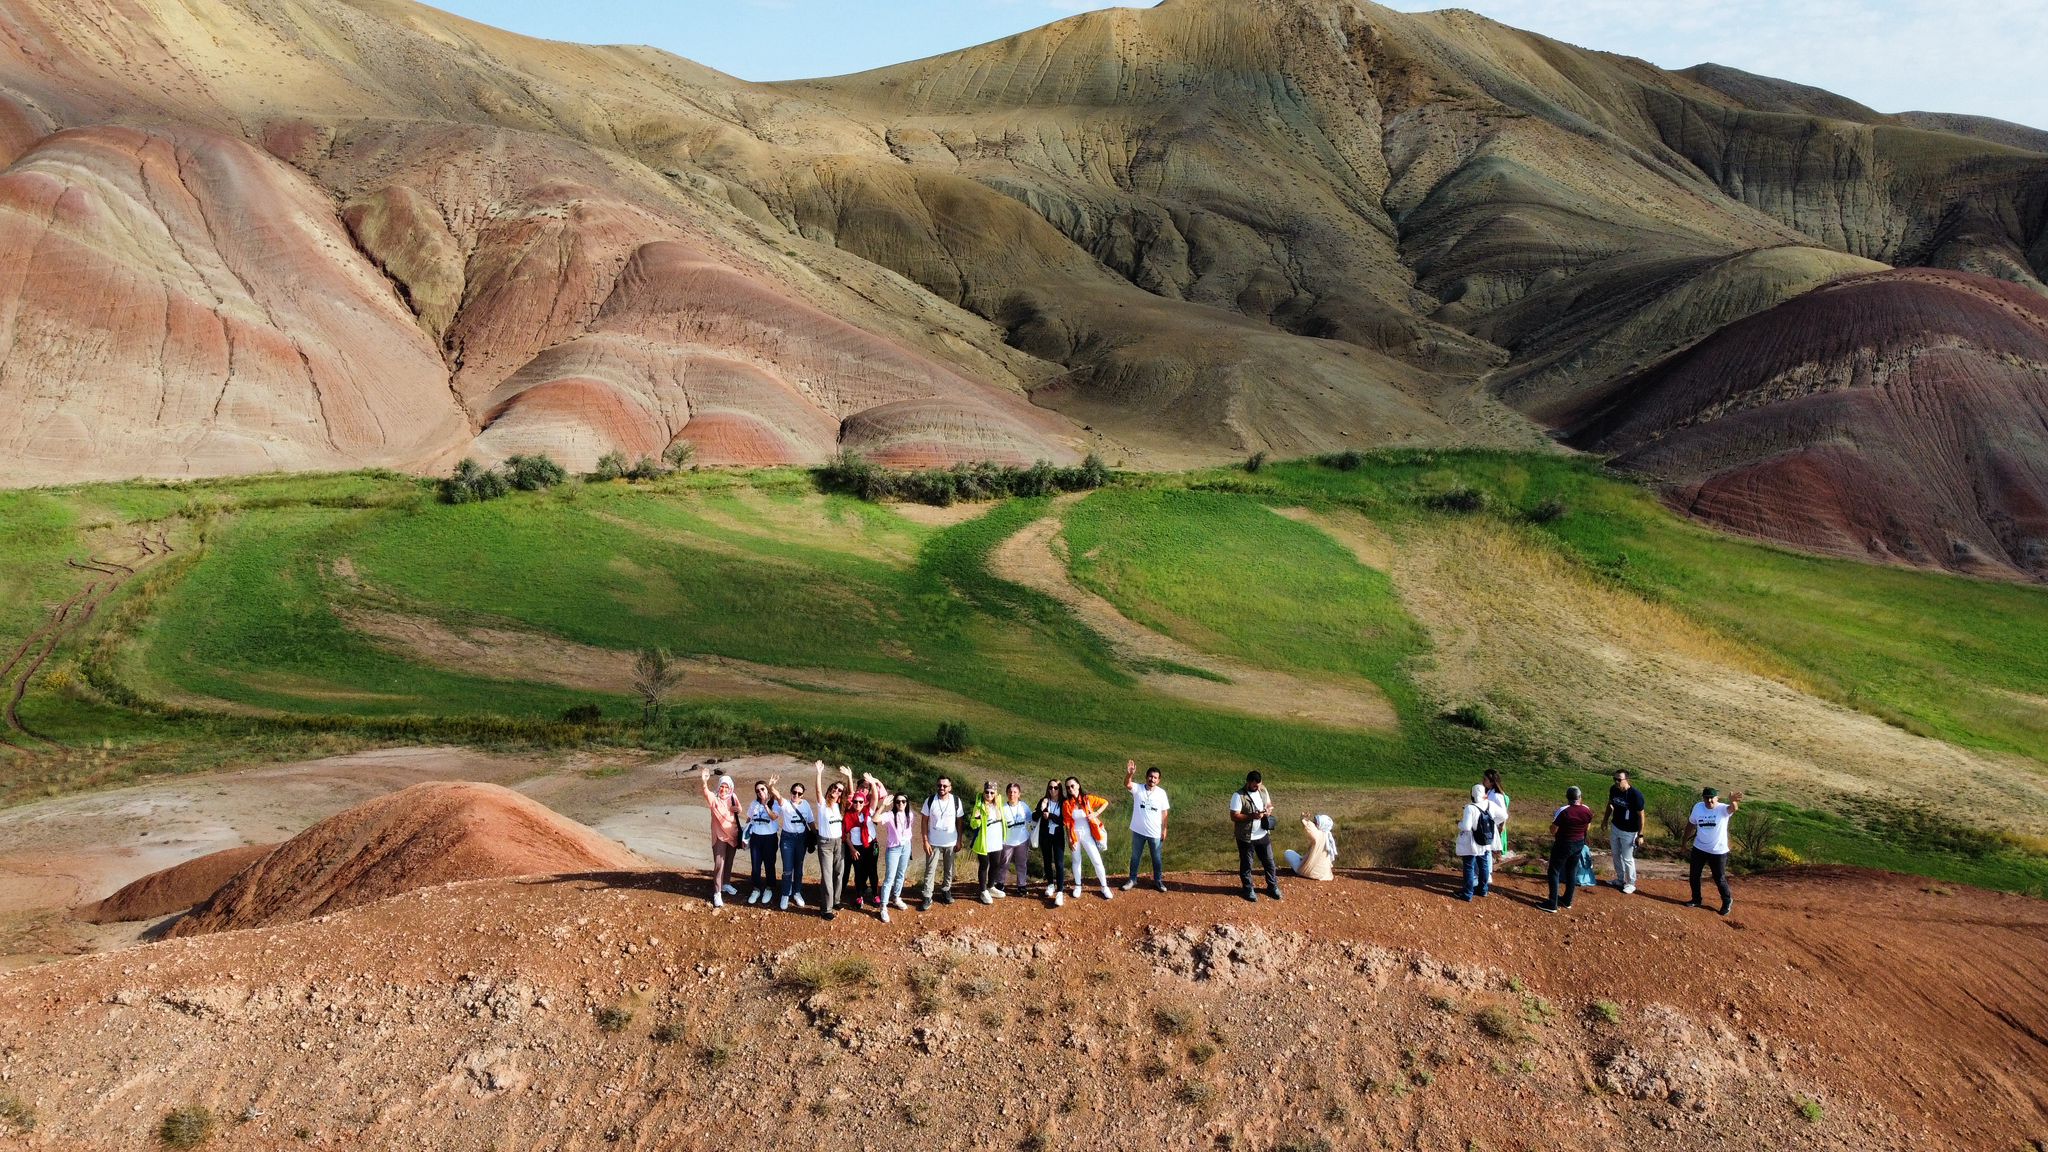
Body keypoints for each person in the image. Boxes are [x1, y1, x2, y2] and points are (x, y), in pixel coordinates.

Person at [1684, 787, 1744, 915]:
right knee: (1694, 875)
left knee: (1719, 878)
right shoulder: (1698, 807)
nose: (1709, 800)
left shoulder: (1722, 809)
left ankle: (1727, 901)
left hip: (1718, 851)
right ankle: (1696, 899)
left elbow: (1733, 809)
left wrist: (1733, 801)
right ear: (1703, 798)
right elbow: (1691, 824)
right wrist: (1684, 842)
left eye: (1712, 798)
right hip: (1699, 847)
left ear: (1717, 798)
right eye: (1706, 798)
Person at [1540, 786, 1595, 913]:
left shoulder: (1564, 811)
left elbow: (1553, 829)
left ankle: (1552, 903)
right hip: (1579, 842)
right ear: (1580, 797)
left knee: (1554, 871)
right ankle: (1567, 900)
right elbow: (1588, 827)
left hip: (1564, 843)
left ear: (1567, 798)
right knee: (1572, 870)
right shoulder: (1586, 810)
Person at [1230, 771, 1281, 902]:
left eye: (1259, 784)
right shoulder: (1238, 796)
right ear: (1248, 782)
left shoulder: (1263, 790)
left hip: (1263, 834)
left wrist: (1268, 810)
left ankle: (1272, 886)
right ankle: (1248, 889)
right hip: (1246, 837)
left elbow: (1269, 804)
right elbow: (1234, 816)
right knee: (1247, 864)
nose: (1257, 787)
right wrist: (1252, 816)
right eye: (1254, 785)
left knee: (1269, 862)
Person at [1062, 776, 1114, 901]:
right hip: (1075, 835)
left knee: (1096, 860)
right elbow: (1067, 823)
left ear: (1078, 785)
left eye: (1072, 786)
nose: (1070, 789)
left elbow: (1105, 802)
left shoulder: (1087, 799)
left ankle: (1104, 886)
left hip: (1087, 834)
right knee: (1076, 860)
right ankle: (1078, 885)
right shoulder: (1066, 804)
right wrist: (1069, 839)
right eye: (1068, 787)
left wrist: (1096, 813)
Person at [1122, 760, 1170, 892]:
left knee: (1156, 858)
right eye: (1150, 776)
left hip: (1154, 832)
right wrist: (1129, 774)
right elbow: (1127, 784)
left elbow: (1164, 812)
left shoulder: (1161, 793)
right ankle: (1132, 879)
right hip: (1138, 831)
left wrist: (1164, 829)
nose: (1152, 779)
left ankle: (1158, 881)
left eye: (1155, 778)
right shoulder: (1138, 788)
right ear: (1146, 777)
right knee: (1135, 857)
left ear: (1158, 780)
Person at [698, 765, 743, 908]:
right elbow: (706, 792)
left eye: (726, 787)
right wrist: (704, 782)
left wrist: (738, 809)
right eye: (721, 786)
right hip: (719, 836)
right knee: (719, 864)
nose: (723, 789)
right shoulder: (714, 798)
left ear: (730, 788)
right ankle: (717, 892)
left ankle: (726, 884)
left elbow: (739, 809)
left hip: (733, 834)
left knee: (729, 861)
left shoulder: (733, 797)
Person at [918, 777, 965, 911]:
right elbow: (924, 821)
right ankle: (927, 896)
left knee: (949, 868)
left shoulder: (956, 801)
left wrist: (959, 840)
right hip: (933, 842)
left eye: (945, 786)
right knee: (930, 869)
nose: (942, 788)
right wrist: (925, 841)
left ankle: (946, 890)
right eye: (939, 785)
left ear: (950, 787)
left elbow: (960, 821)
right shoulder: (930, 800)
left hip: (950, 841)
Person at [769, 775, 814, 912]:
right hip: (787, 838)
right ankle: (785, 894)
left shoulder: (806, 805)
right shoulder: (785, 804)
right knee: (787, 869)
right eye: (794, 792)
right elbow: (777, 795)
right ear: (791, 792)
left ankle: (797, 892)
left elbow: (810, 821)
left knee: (799, 868)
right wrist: (771, 786)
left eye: (799, 793)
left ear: (802, 795)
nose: (796, 795)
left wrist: (815, 835)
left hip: (801, 839)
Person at [1599, 770, 1647, 895]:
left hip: (1629, 831)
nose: (1616, 782)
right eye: (1614, 779)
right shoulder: (1613, 790)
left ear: (1627, 780)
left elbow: (1641, 815)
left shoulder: (1635, 795)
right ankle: (1620, 879)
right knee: (1616, 854)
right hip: (1616, 826)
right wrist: (1605, 820)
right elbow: (1610, 805)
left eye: (1619, 780)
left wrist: (1640, 834)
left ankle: (1631, 883)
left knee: (1627, 858)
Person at [813, 762, 850, 920]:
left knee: (839, 873)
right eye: (834, 788)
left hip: (839, 843)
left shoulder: (840, 807)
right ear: (830, 789)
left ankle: (836, 900)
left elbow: (850, 794)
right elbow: (818, 790)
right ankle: (826, 909)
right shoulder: (823, 804)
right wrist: (819, 773)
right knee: (827, 876)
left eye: (839, 790)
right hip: (825, 844)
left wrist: (849, 777)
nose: (836, 790)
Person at [1455, 785, 1504, 900]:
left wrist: (1459, 823)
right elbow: (1504, 816)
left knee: (1469, 866)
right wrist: (1492, 823)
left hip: (1471, 841)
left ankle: (1467, 893)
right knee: (1484, 865)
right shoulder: (1490, 804)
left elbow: (1467, 827)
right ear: (1484, 794)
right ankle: (1483, 890)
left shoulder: (1470, 808)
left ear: (1472, 795)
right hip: (1485, 840)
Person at [845, 772, 886, 911]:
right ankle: (859, 896)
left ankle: (875, 895)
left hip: (871, 845)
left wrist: (873, 782)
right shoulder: (849, 815)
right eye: (855, 801)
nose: (858, 804)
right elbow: (846, 835)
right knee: (859, 872)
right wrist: (852, 849)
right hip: (857, 847)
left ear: (864, 802)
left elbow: (875, 797)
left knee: (872, 870)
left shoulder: (869, 810)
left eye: (860, 802)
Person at [879, 788, 917, 924]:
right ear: (894, 803)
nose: (901, 804)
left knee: (901, 874)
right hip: (894, 849)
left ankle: (896, 897)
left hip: (906, 847)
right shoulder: (889, 815)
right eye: (898, 801)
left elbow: (907, 832)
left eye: (903, 801)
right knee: (889, 877)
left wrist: (908, 845)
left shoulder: (910, 815)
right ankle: (883, 906)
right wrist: (883, 805)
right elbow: (875, 818)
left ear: (907, 803)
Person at [968, 781, 1007, 904]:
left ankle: (990, 886)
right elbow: (973, 824)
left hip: (996, 840)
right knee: (984, 865)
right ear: (983, 792)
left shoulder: (998, 804)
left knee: (995, 864)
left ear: (995, 793)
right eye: (987, 792)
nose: (989, 795)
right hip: (984, 841)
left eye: (992, 792)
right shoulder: (979, 806)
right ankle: (983, 890)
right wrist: (977, 819)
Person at [743, 780, 780, 906]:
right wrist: (745, 836)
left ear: (767, 789)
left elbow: (774, 817)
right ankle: (756, 889)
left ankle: (769, 888)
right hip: (756, 838)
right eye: (757, 790)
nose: (760, 792)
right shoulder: (754, 804)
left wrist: (765, 805)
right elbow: (749, 819)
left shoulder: (774, 803)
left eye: (762, 789)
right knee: (755, 865)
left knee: (769, 864)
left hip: (770, 838)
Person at [1035, 779, 1068, 906]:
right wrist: (1042, 808)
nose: (1052, 790)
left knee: (1059, 863)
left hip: (1058, 836)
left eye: (1055, 788)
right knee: (1047, 860)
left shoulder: (1064, 802)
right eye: (1050, 787)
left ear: (1060, 789)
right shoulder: (1044, 800)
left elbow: (1063, 820)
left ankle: (1060, 891)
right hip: (1045, 836)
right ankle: (1050, 884)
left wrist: (1050, 816)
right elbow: (1034, 817)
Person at [999, 783, 1033, 897]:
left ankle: (1021, 885)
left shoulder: (1024, 806)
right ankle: (1000, 883)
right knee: (1004, 863)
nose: (1012, 794)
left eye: (1015, 792)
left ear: (1019, 794)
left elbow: (1031, 819)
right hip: (1007, 841)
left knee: (1021, 863)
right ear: (1006, 793)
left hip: (1022, 840)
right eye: (1010, 792)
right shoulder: (1003, 808)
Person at [1284, 813, 1337, 881]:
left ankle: (1302, 867)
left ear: (1321, 825)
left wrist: (1304, 819)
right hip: (1324, 875)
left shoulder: (1318, 834)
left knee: (1288, 852)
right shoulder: (1328, 837)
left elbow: (1309, 827)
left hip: (1308, 872)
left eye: (1315, 822)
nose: (1314, 823)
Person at [1484, 769, 1512, 859]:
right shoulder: (1489, 792)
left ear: (1492, 782)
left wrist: (1501, 825)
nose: (1483, 781)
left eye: (1485, 779)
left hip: (1494, 826)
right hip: (1488, 826)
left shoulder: (1496, 796)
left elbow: (1503, 813)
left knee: (1491, 851)